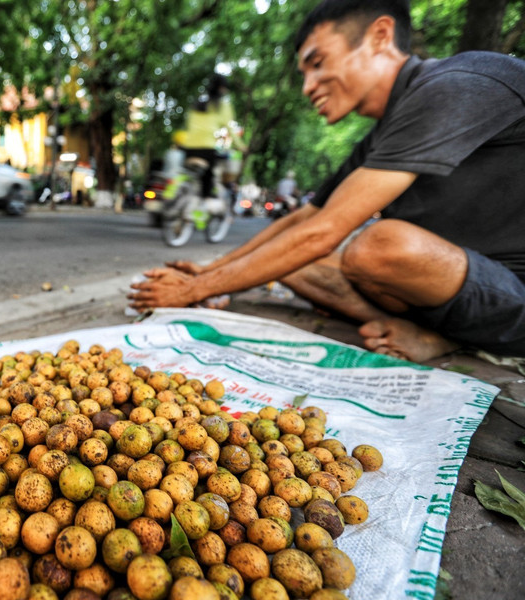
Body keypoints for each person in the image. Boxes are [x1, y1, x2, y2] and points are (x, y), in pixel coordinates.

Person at [130, 0, 525, 362]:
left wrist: (190, 292)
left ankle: (454, 337)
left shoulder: (459, 83)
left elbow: (324, 231)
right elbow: (302, 220)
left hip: (512, 299)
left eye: (317, 63)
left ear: (380, 37)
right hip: (440, 288)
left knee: (377, 245)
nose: (307, 87)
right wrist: (208, 275)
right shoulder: (379, 136)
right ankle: (419, 328)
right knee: (283, 257)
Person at [176, 74, 242, 197]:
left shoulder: (197, 104)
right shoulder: (222, 106)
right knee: (208, 181)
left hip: (188, 148)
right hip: (207, 149)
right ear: (222, 89)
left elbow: (189, 126)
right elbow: (230, 128)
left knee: (185, 174)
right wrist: (241, 146)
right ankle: (201, 210)